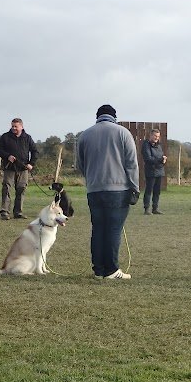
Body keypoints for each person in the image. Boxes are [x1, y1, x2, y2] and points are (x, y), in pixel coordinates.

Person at [76, 104, 140, 280]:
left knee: (98, 229)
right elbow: (131, 163)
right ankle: (112, 270)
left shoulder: (84, 135)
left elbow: (80, 164)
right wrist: (135, 187)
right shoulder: (123, 133)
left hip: (94, 190)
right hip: (118, 190)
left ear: (97, 116)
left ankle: (99, 270)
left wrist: (91, 179)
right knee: (113, 229)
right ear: (114, 116)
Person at [0, 118, 39, 220]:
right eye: (12, 126)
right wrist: (7, 156)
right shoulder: (5, 137)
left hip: (23, 169)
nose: (14, 128)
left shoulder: (27, 138)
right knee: (7, 188)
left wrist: (31, 164)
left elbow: (35, 151)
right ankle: (5, 212)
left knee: (21, 190)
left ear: (21, 127)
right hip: (9, 168)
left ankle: (18, 212)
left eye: (16, 126)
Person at [141, 128, 167, 215]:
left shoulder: (159, 146)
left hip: (159, 171)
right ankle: (146, 209)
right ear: (151, 135)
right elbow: (148, 159)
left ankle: (155, 208)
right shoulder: (146, 145)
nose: (156, 138)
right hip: (150, 171)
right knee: (149, 190)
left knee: (157, 191)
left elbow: (160, 156)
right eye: (155, 136)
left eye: (158, 136)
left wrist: (163, 160)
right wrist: (160, 159)